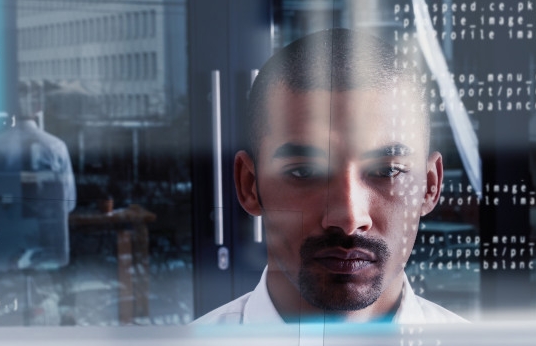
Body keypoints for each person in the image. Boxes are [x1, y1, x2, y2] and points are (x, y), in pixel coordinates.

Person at [194, 28, 468, 325]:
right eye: (305, 171)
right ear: (249, 185)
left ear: (430, 186)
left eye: (388, 170)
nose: (349, 219)